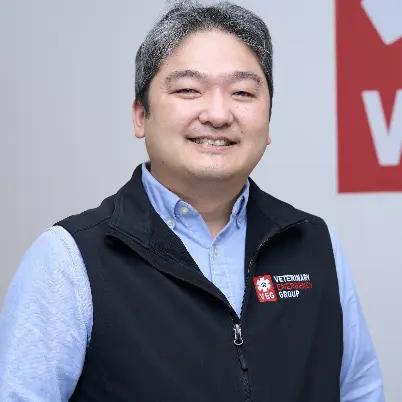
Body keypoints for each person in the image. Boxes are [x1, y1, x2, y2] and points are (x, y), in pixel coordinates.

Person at [0, 1, 385, 401]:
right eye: (188, 90)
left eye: (242, 92)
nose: (218, 114)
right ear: (140, 115)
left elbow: (361, 391)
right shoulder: (69, 259)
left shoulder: (314, 244)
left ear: (269, 119)